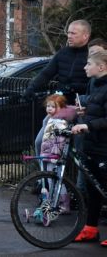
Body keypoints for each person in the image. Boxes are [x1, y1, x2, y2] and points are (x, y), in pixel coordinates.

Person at [71, 50, 107, 247]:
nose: (85, 67)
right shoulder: (95, 84)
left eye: (89, 64)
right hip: (92, 145)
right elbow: (98, 110)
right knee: (94, 190)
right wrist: (85, 113)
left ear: (101, 67)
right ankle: (90, 229)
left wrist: (88, 125)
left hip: (104, 147)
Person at [23, 20, 91, 103]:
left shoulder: (93, 55)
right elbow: (46, 73)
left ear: (85, 36)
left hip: (83, 104)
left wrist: (74, 87)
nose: (69, 36)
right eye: (68, 33)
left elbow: (98, 83)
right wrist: (32, 88)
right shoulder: (63, 53)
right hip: (61, 102)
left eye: (73, 33)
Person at [35, 94, 77, 216]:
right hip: (47, 153)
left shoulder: (59, 122)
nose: (49, 109)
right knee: (50, 178)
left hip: (53, 155)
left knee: (57, 179)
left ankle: (64, 204)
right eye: (48, 106)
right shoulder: (50, 119)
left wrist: (54, 153)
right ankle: (53, 202)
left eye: (53, 106)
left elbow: (60, 140)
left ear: (60, 108)